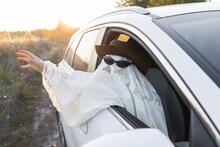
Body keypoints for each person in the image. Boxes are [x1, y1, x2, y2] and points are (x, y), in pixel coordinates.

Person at [16, 39, 168, 135]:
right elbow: (73, 82)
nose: (112, 66)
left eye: (121, 63)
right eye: (108, 60)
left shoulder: (147, 100)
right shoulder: (100, 83)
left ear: (133, 70)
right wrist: (44, 67)